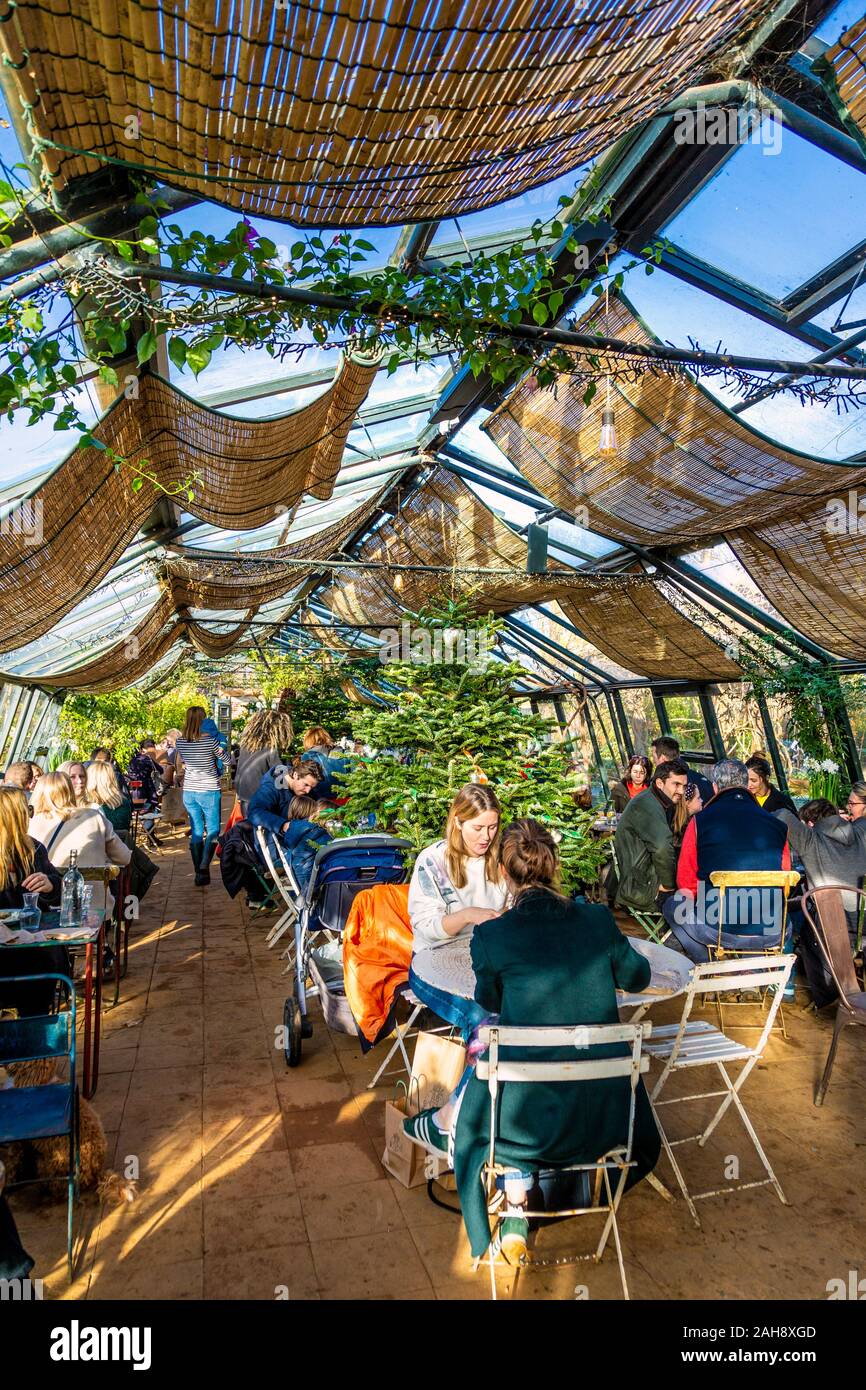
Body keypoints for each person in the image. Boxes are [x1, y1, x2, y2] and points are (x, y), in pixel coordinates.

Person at [404, 818, 661, 1265]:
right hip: (608, 1117)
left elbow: (488, 998)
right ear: (554, 866)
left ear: (504, 874)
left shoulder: (492, 935)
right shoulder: (598, 920)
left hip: (522, 1124)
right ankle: (522, 1205)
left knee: (496, 1063)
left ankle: (458, 1141)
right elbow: (638, 977)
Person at [662, 758, 792, 964]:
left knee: (673, 905)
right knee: (764, 912)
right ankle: (750, 972)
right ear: (746, 785)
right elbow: (785, 877)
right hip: (772, 929)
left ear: (715, 787)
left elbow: (686, 885)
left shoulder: (699, 822)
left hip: (717, 929)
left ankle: (709, 962)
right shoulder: (778, 825)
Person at [408, 784, 507, 952]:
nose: (486, 837)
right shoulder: (433, 860)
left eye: (492, 827)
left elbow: (516, 903)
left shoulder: (503, 856)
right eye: (478, 828)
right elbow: (426, 926)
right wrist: (467, 916)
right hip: (438, 953)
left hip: (489, 950)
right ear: (458, 822)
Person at [0, 785, 65, 1018]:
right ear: (14, 817)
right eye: (27, 809)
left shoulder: (33, 848)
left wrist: (50, 884)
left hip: (34, 948)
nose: (31, 814)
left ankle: (31, 1032)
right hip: (26, 957)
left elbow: (58, 888)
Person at [29, 772, 131, 910]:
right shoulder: (93, 817)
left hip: (44, 906)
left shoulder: (29, 824)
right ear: (70, 791)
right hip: (93, 907)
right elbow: (124, 858)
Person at [612, 757, 689, 915]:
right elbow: (662, 848)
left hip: (643, 878)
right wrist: (668, 886)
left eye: (684, 786)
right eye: (676, 784)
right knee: (696, 899)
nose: (681, 791)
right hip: (639, 886)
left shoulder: (656, 801)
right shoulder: (647, 805)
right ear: (660, 783)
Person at [174, 707, 225, 887]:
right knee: (213, 830)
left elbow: (184, 762)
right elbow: (226, 759)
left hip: (190, 790)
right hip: (209, 789)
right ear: (203, 720)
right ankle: (204, 865)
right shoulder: (210, 742)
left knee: (196, 831)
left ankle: (199, 874)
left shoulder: (180, 742)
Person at [247, 757, 323, 860]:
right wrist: (283, 825)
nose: (308, 791)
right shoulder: (270, 788)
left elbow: (319, 803)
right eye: (306, 785)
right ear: (295, 775)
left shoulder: (302, 785)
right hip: (275, 847)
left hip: (298, 841)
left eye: (312, 787)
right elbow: (254, 812)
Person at [234, 710, 294, 816]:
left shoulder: (247, 746)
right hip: (264, 800)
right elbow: (282, 780)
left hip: (245, 796)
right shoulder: (273, 749)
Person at [276, 795, 332, 891]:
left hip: (300, 874)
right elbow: (330, 845)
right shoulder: (311, 829)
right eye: (315, 811)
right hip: (311, 879)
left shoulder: (293, 829)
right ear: (310, 812)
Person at [652, 735, 712, 808]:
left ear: (662, 759)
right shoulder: (702, 780)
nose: (653, 761)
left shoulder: (664, 786)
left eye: (654, 757)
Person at [301, 726, 350, 803]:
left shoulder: (308, 756)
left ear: (309, 740)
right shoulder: (344, 753)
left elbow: (306, 782)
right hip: (348, 800)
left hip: (323, 803)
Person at [85, 760, 132, 836]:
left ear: (90, 780)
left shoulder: (87, 807)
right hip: (120, 846)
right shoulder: (124, 803)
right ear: (112, 779)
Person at [127, 739, 163, 805]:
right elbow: (161, 770)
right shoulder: (148, 759)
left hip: (133, 791)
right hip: (147, 791)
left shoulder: (132, 760)